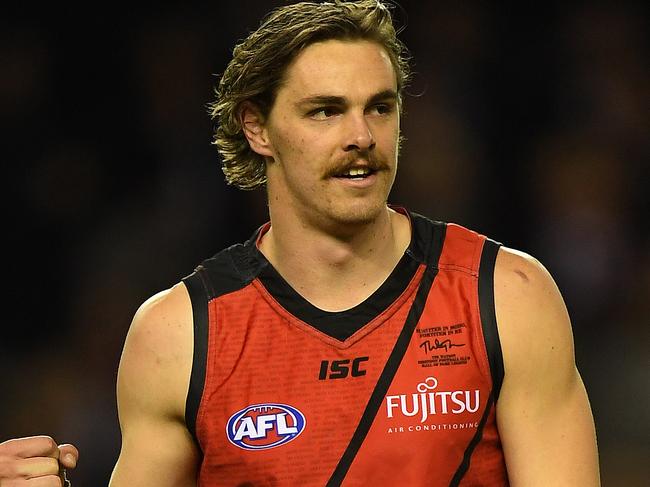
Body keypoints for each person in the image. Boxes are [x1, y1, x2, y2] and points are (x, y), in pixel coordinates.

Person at [0, 1, 600, 485]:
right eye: (324, 112)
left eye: (380, 107)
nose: (362, 136)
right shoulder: (179, 336)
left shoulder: (505, 295)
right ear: (256, 126)